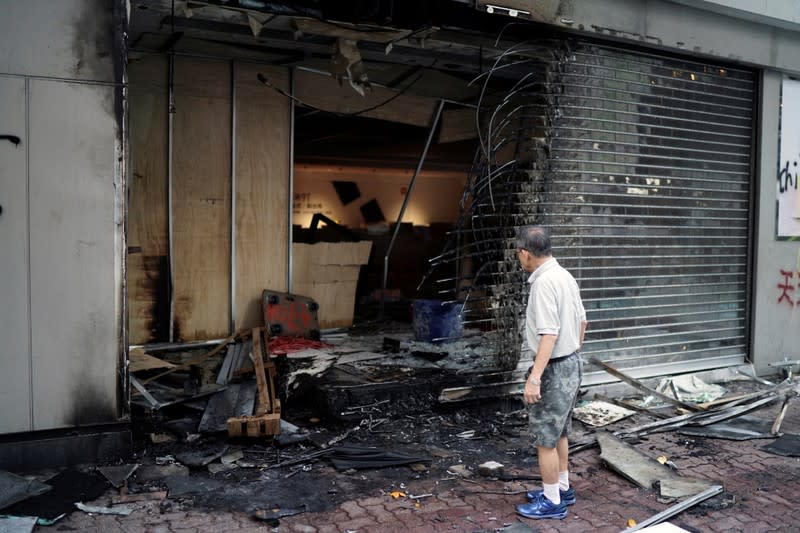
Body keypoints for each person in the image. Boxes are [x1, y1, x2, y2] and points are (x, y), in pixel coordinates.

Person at [514, 225, 587, 520]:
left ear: (524, 253)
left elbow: (548, 334)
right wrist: (572, 351)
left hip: (554, 369)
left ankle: (551, 502)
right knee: (560, 433)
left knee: (545, 438)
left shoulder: (543, 283)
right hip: (572, 363)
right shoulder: (565, 276)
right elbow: (583, 322)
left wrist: (535, 377)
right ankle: (561, 488)